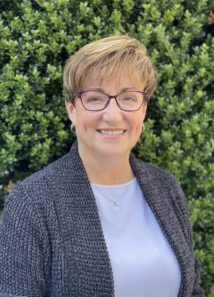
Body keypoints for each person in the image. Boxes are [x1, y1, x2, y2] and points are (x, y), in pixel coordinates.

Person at [0, 35, 203, 297]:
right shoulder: (32, 203)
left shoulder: (167, 188)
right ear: (71, 109)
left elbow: (192, 290)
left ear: (144, 109)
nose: (113, 114)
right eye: (95, 98)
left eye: (128, 98)